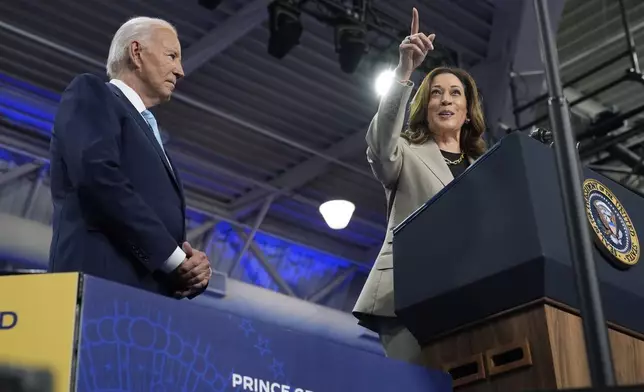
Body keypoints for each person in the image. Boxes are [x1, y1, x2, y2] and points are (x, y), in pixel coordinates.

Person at [352, 8, 487, 363]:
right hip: (408, 300)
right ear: (424, 107)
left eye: (455, 93)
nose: (445, 99)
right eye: (436, 93)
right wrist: (404, 70)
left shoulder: (486, 171)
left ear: (469, 110)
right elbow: (380, 146)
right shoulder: (406, 155)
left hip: (472, 302)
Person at [49, 17, 211, 299]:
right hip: (96, 289)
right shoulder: (92, 92)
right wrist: (174, 259)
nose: (181, 71)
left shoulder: (152, 133)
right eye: (172, 56)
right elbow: (99, 178)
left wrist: (191, 269)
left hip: (143, 308)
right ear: (136, 53)